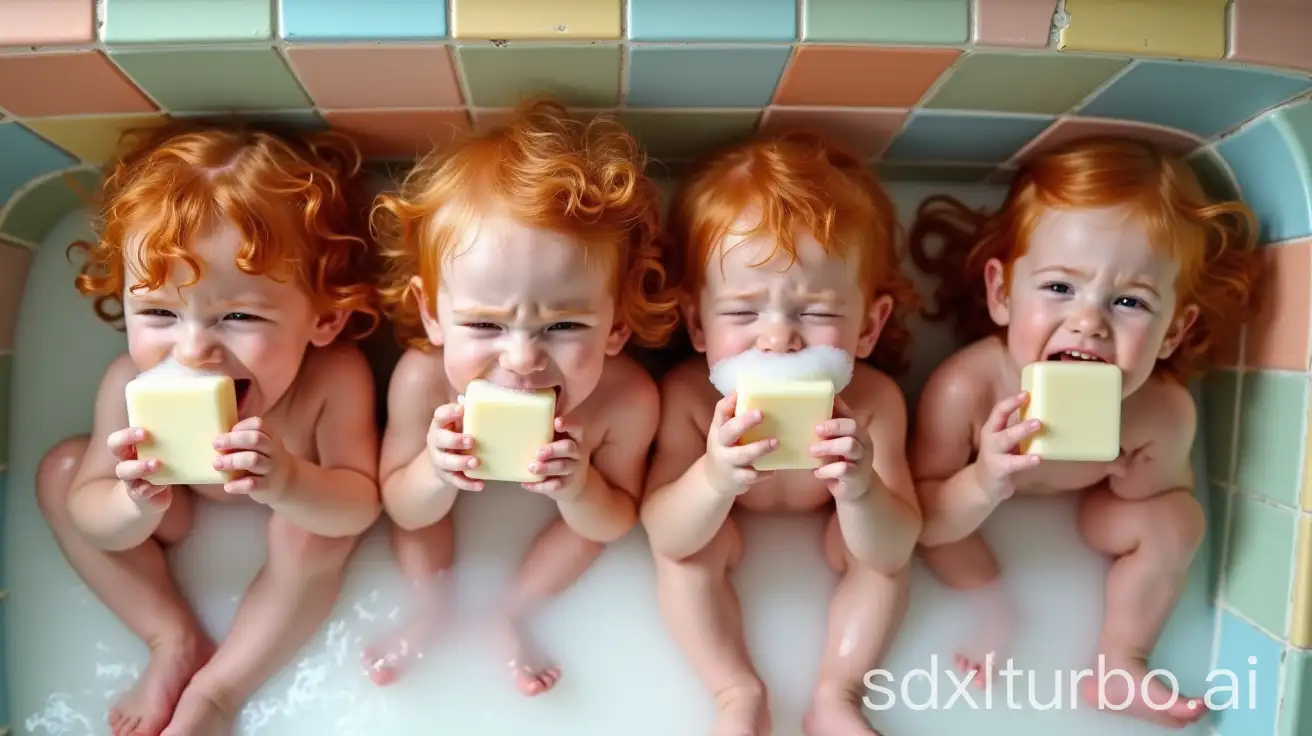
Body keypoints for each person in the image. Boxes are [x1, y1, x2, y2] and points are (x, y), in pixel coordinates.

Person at [34, 122, 384, 735]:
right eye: (160, 313)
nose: (193, 349)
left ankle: (219, 691)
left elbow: (360, 504)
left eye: (239, 315)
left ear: (323, 317)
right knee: (62, 474)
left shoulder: (332, 380)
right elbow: (95, 520)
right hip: (178, 515)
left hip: (290, 529)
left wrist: (290, 483)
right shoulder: (127, 385)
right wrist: (132, 503)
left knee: (312, 534)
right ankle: (170, 635)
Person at [907, 137, 1262, 728]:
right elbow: (923, 516)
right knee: (935, 528)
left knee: (1179, 521)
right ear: (1001, 294)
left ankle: (1120, 661)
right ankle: (994, 608)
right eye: (1059, 288)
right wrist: (984, 478)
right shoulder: (966, 390)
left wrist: (1132, 471)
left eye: (1129, 301)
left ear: (1174, 331)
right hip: (969, 511)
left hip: (1090, 507)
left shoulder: (1161, 412)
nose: (1089, 321)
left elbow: (1151, 500)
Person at [362, 99, 677, 692]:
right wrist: (435, 469)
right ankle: (431, 606)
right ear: (432, 316)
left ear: (616, 326)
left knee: (582, 530)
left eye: (563, 327)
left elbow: (613, 524)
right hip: (436, 507)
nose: (523, 359)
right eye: (485, 326)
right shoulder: (423, 381)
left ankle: (511, 610)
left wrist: (582, 486)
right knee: (418, 520)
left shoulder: (624, 399)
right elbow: (400, 506)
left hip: (572, 514)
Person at [640, 131, 923, 736]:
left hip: (831, 535)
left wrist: (861, 490)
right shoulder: (691, 399)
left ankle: (839, 696)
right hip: (729, 535)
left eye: (816, 313)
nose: (777, 338)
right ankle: (734, 692)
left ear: (869, 327)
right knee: (686, 562)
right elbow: (664, 531)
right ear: (696, 321)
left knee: (880, 569)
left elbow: (895, 547)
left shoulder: (872, 404)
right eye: (743, 313)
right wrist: (714, 479)